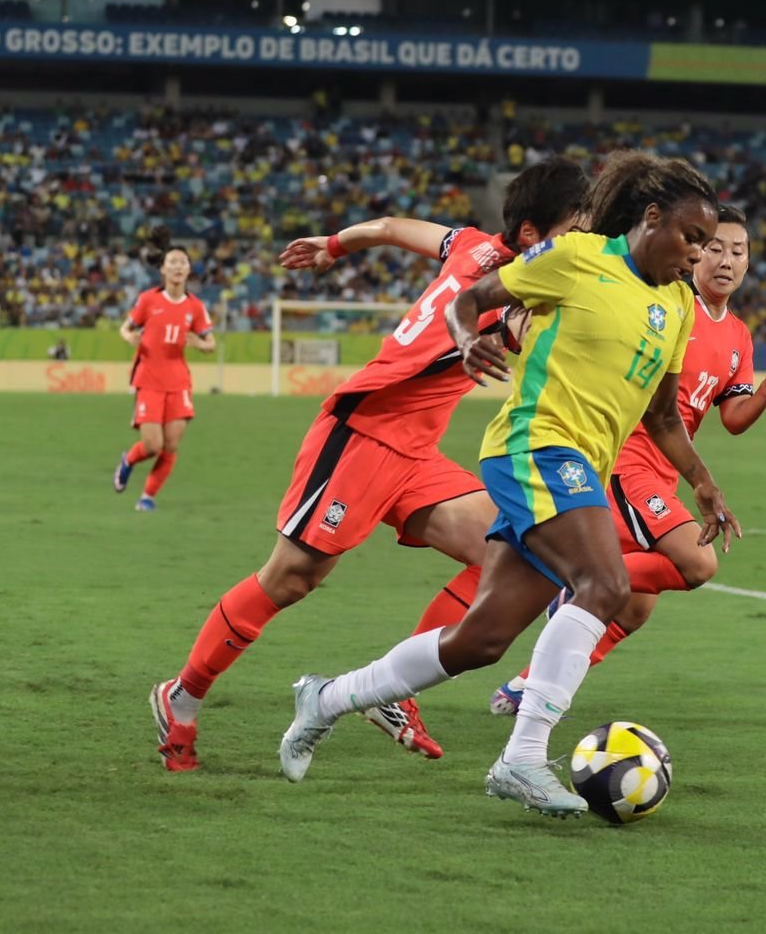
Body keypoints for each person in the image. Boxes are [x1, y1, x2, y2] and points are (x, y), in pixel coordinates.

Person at [276, 152, 739, 819]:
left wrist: (704, 482)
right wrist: (468, 340)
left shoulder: (678, 304)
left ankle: (326, 698)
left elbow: (663, 416)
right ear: (651, 217)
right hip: (534, 446)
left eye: (706, 243)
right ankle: (522, 758)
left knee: (480, 640)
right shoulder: (577, 258)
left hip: (579, 466)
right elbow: (469, 300)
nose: (697, 255)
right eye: (692, 238)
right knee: (605, 585)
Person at [145, 157, 590, 772]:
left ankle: (393, 691)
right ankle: (182, 697)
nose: (584, 242)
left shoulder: (472, 244)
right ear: (534, 234)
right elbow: (513, 321)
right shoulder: (517, 289)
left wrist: (334, 244)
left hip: (414, 453)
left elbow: (388, 227)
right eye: (576, 229)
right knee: (291, 578)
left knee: (506, 551)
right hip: (361, 438)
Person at [488, 204, 766, 713]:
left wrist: (765, 391)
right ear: (696, 251)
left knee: (634, 608)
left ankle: (525, 687)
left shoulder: (738, 335)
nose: (725, 260)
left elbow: (732, 418)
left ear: (749, 262)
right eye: (715, 247)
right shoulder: (671, 304)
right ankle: (577, 581)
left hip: (664, 472)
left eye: (738, 251)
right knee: (696, 563)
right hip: (629, 460)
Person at [112, 239, 216, 512]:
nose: (178, 267)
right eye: (172, 262)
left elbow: (211, 343)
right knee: (152, 444)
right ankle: (128, 460)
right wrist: (129, 337)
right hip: (148, 379)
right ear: (163, 269)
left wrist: (199, 343)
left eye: (183, 262)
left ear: (189, 269)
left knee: (170, 445)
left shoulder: (195, 306)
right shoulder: (148, 300)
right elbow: (125, 327)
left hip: (179, 382)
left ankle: (147, 497)